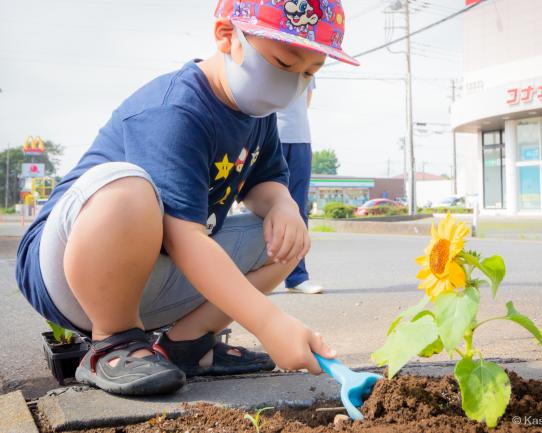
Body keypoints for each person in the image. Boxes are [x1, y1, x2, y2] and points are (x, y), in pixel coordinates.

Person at [15, 0, 359, 396]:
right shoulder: (176, 109)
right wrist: (269, 323)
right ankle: (114, 341)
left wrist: (282, 205)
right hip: (70, 273)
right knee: (128, 190)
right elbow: (185, 239)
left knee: (287, 242)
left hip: (151, 272)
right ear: (228, 35)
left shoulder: (258, 116)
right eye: (284, 64)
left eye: (309, 74)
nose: (293, 84)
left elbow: (266, 182)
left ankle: (188, 346)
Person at [277, 79, 324, 294]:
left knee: (298, 209)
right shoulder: (271, 56)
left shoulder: (309, 66)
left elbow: (306, 101)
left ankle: (296, 276)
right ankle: (253, 278)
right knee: (261, 209)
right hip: (271, 138)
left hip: (301, 139)